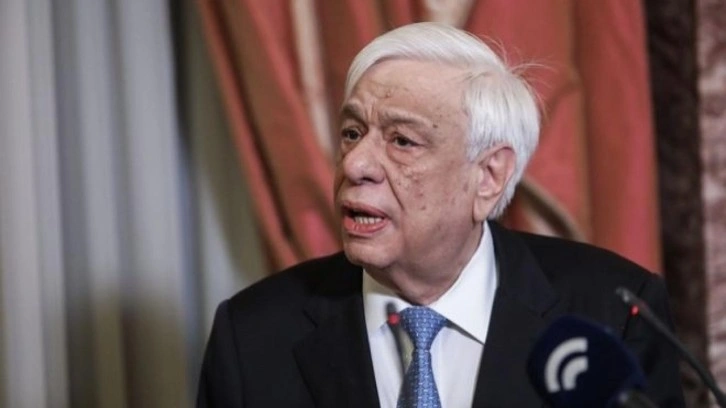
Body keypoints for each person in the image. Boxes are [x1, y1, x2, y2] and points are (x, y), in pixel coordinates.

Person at [197, 22, 685, 407]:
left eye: (402, 141)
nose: (355, 165)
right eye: (351, 133)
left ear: (489, 177)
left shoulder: (612, 316)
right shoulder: (252, 336)